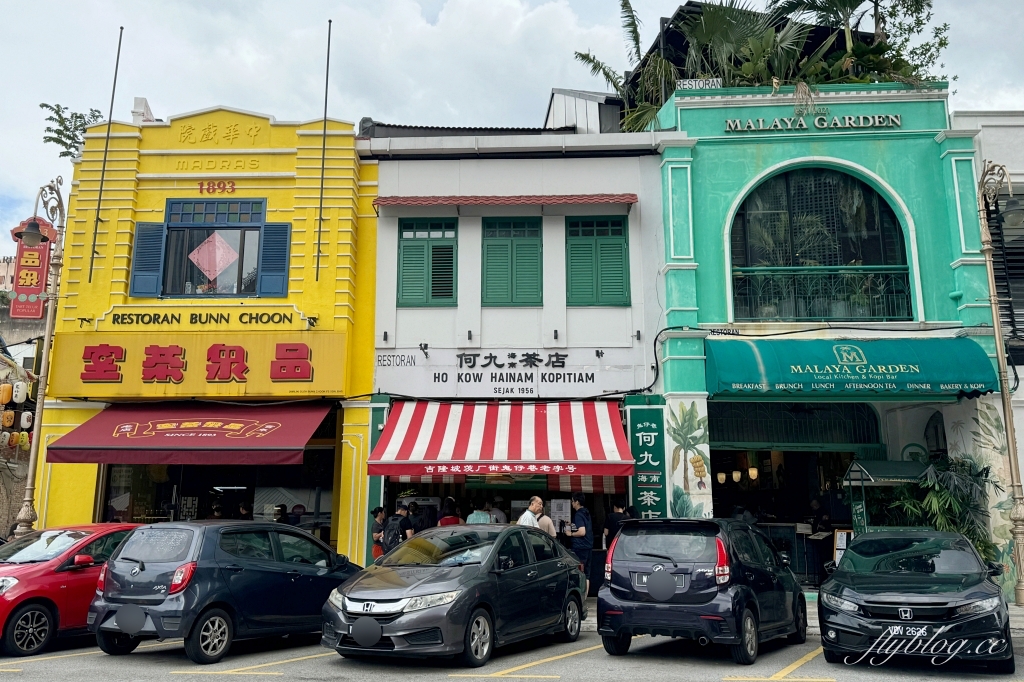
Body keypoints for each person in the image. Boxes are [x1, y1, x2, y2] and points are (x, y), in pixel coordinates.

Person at [564, 492, 593, 595]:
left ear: (577, 502)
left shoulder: (578, 514)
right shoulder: (586, 513)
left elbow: (582, 532)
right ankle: (585, 597)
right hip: (588, 547)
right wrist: (571, 524)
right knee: (587, 575)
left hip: (580, 548)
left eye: (572, 501)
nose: (572, 503)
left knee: (579, 573)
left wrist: (570, 533)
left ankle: (580, 597)